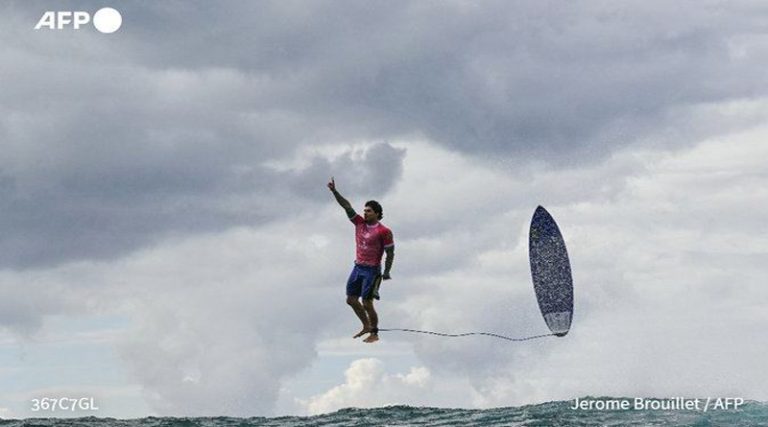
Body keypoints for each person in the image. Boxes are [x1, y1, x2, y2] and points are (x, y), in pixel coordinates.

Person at [328, 177, 394, 344]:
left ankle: (374, 332)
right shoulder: (359, 223)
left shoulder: (384, 231)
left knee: (367, 302)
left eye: (369, 211)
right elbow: (346, 206)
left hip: (372, 271)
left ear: (377, 213)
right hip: (358, 267)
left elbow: (390, 252)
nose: (365, 213)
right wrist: (335, 192)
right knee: (350, 300)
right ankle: (366, 326)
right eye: (364, 211)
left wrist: (386, 272)